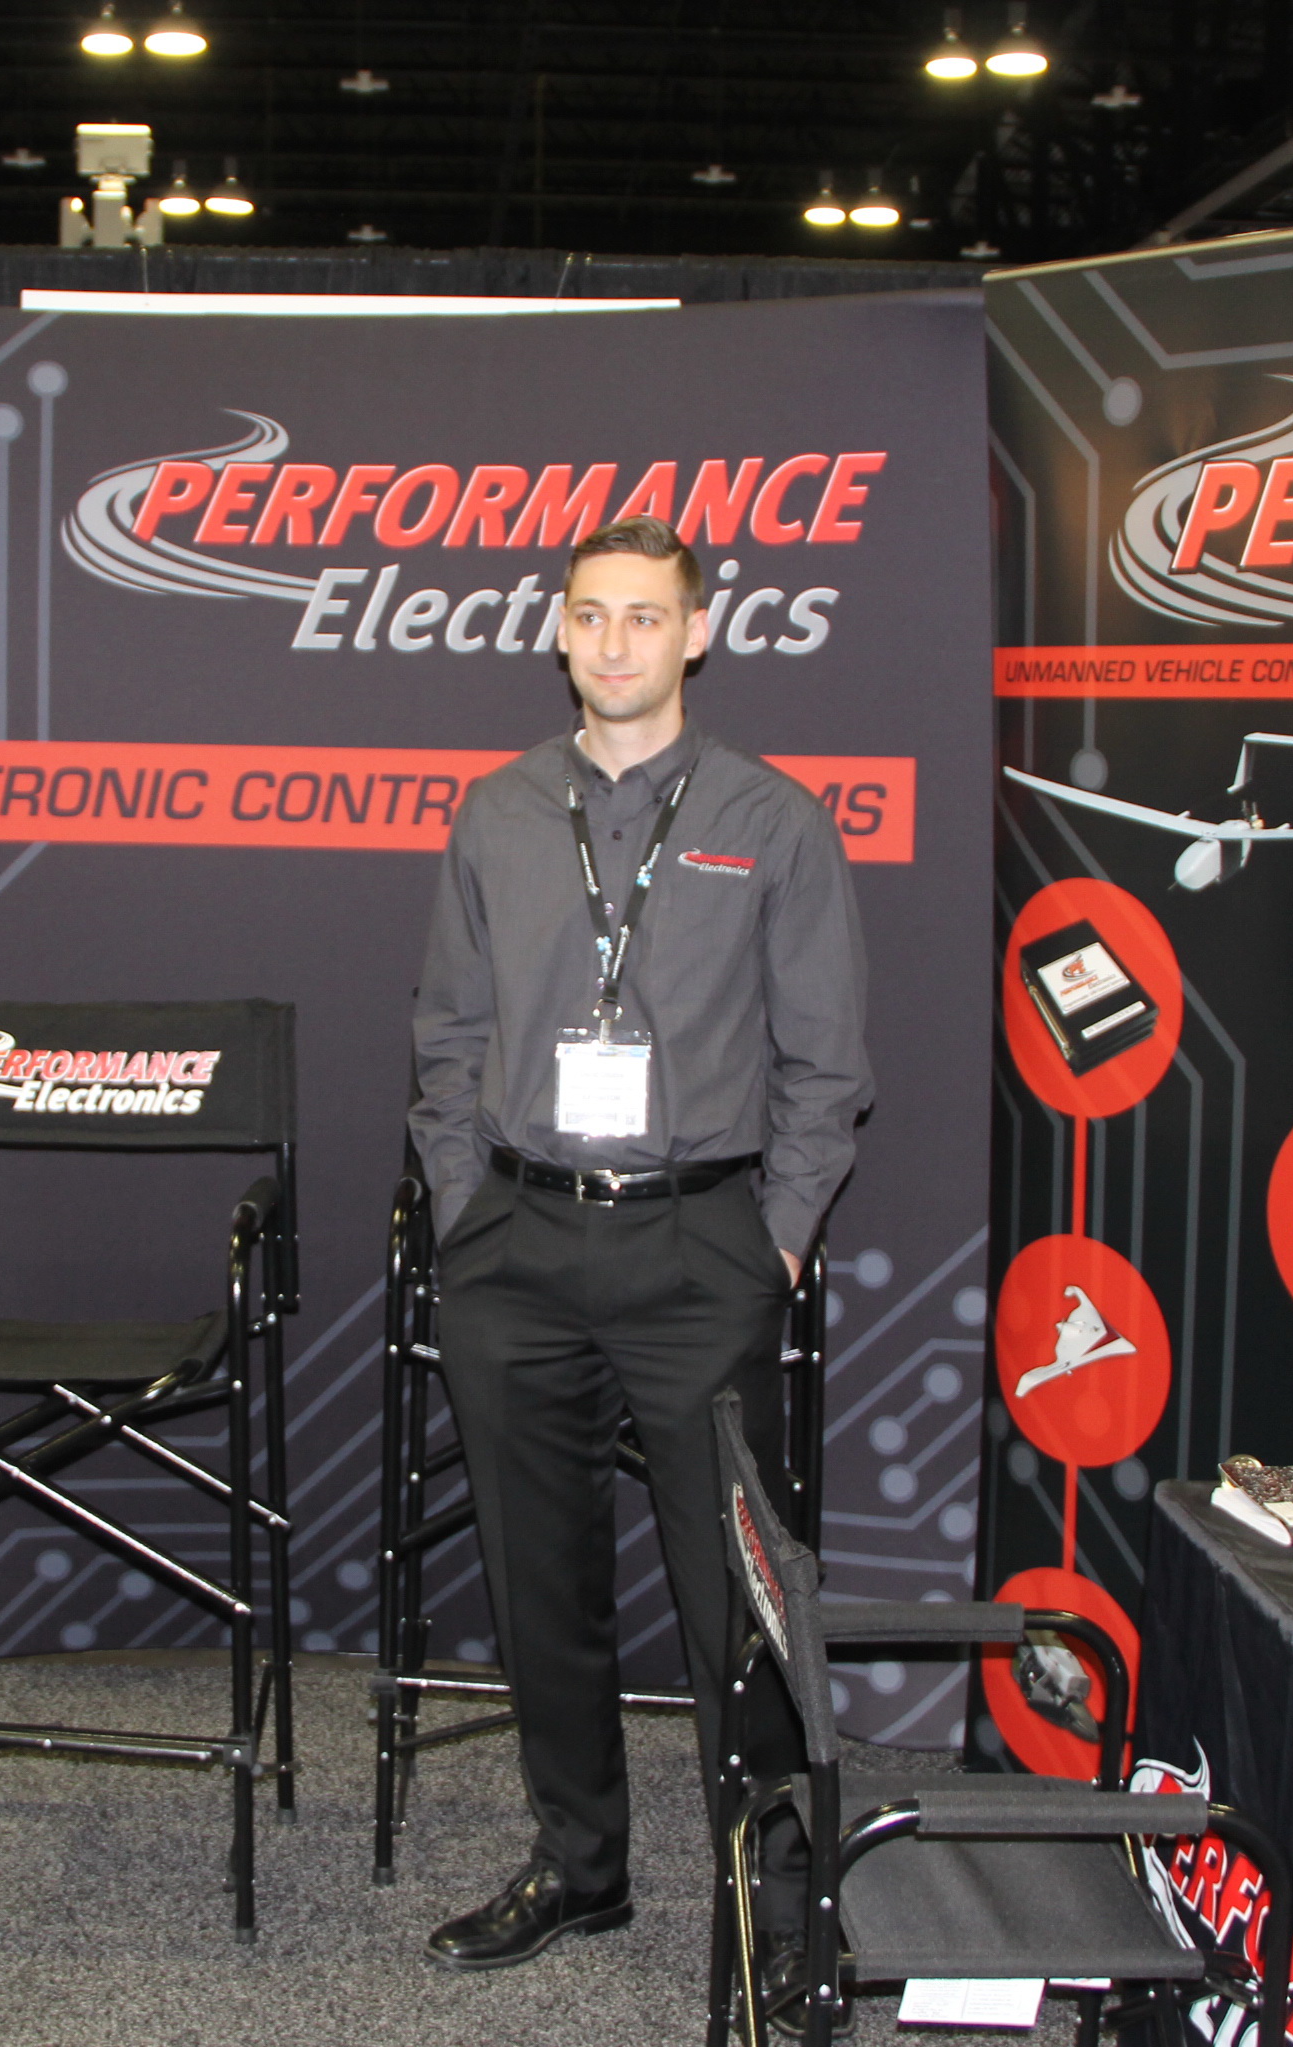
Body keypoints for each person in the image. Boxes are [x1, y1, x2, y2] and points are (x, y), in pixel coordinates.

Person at [407, 515, 872, 1973]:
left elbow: (827, 1069)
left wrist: (772, 1246)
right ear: (561, 631)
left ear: (697, 634)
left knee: (738, 1593)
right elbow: (448, 1037)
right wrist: (465, 1212)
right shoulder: (496, 814)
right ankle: (580, 1863)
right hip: (518, 1249)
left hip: (698, 1257)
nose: (616, 642)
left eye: (646, 617)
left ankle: (779, 1896)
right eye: (593, 615)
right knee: (537, 1579)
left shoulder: (774, 822)